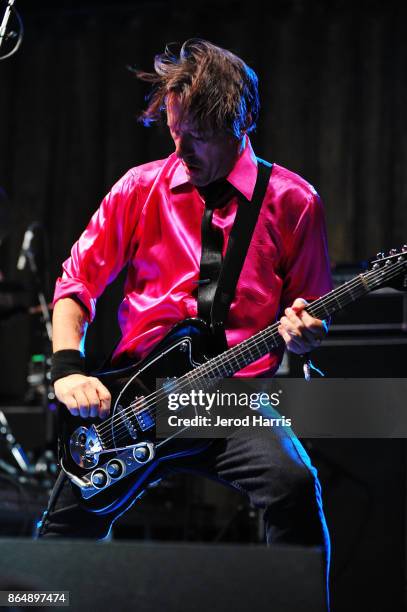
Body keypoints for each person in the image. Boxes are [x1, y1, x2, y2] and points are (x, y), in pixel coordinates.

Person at [37, 38, 331, 604]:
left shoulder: (294, 202)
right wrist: (68, 368)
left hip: (233, 399)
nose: (180, 146)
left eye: (196, 134)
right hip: (139, 393)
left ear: (238, 121)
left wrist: (305, 333)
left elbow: (309, 314)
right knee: (61, 538)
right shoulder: (139, 187)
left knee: (294, 486)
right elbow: (75, 286)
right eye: (173, 130)